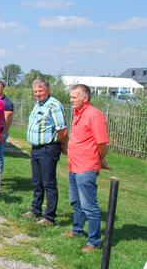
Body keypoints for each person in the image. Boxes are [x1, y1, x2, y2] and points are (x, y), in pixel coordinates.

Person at [65, 84, 109, 252]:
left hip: (86, 167)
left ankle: (93, 241)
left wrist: (99, 159)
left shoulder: (94, 115)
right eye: (71, 97)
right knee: (75, 202)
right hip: (74, 166)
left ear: (86, 98)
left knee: (89, 206)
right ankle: (77, 230)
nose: (71, 100)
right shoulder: (77, 113)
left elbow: (102, 143)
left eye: (74, 97)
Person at [22, 77, 68, 226]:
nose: (37, 93)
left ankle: (49, 217)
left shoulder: (53, 105)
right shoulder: (38, 105)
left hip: (48, 149)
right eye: (35, 91)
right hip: (36, 148)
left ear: (48, 90)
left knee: (48, 182)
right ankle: (35, 209)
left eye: (40, 90)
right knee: (37, 181)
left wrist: (63, 145)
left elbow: (61, 129)